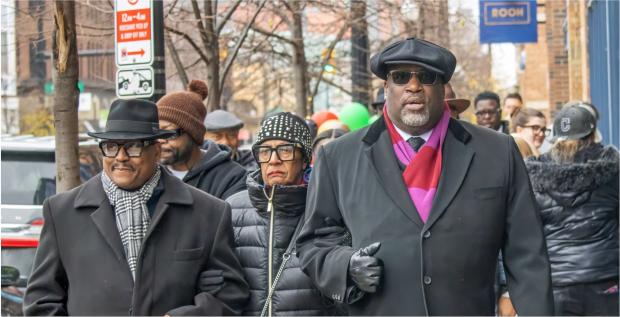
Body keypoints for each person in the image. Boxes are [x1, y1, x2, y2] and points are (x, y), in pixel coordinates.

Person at [296, 37, 553, 316]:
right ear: (386, 87)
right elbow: (314, 242)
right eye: (401, 76)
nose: (414, 86)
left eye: (427, 77)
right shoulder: (338, 157)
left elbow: (528, 254)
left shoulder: (497, 151)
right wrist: (345, 266)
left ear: (443, 88)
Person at [23, 99, 249, 315]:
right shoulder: (62, 212)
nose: (120, 157)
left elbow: (230, 293)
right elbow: (41, 301)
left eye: (133, 147)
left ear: (157, 151)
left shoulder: (208, 212)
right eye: (111, 146)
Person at [201, 112, 346, 315]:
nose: (274, 160)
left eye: (285, 150)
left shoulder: (326, 207)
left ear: (304, 159)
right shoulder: (232, 209)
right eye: (265, 151)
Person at [524, 103, 619, 316]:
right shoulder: (613, 170)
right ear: (593, 133)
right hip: (605, 278)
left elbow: (525, 234)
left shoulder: (534, 174)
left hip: (557, 282)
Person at [157, 80, 247, 200]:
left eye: (169, 133)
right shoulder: (149, 175)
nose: (161, 140)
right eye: (156, 133)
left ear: (193, 134)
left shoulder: (232, 177)